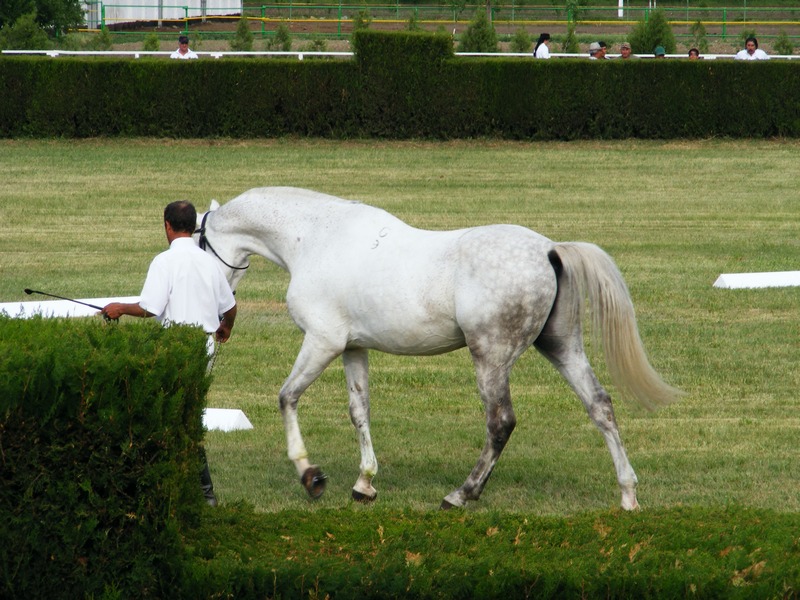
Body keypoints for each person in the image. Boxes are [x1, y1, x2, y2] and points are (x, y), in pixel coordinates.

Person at [102, 201, 237, 506]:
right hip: (205, 344)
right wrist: (225, 328)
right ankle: (197, 491)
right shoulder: (209, 262)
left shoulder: (163, 262)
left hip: (176, 346)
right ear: (193, 226)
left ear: (167, 225)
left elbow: (151, 308)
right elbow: (230, 307)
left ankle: (201, 493)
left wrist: (119, 308)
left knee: (176, 416)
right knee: (184, 412)